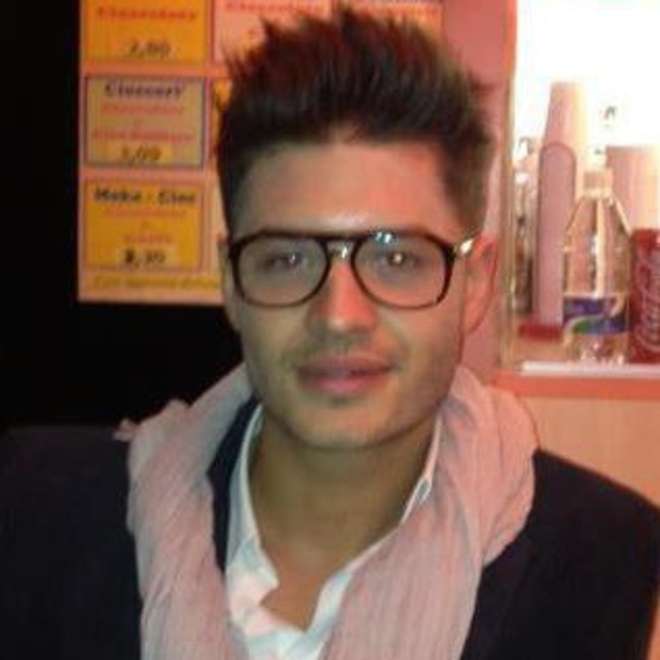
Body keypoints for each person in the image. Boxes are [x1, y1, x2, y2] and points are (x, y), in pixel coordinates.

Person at [1, 8, 658, 660]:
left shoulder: (595, 558)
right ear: (231, 283)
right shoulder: (43, 515)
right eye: (287, 258)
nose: (340, 315)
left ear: (476, 283)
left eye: (395, 257)